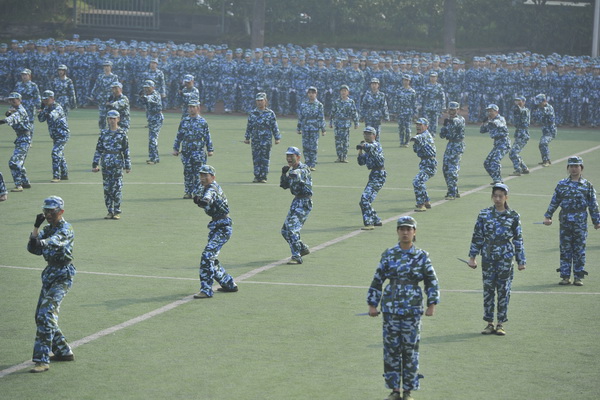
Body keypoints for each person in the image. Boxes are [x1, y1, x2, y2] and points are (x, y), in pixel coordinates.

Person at [367, 216, 440, 400]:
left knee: (410, 351)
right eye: (402, 229)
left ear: (414, 232)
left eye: (409, 229)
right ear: (397, 232)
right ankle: (394, 390)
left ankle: (408, 390)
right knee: (391, 351)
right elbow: (377, 279)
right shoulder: (389, 254)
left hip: (412, 310)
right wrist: (372, 303)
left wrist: (432, 304)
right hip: (391, 310)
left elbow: (431, 281)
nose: (405, 232)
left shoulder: (422, 256)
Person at [467, 183, 526, 336]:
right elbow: (477, 236)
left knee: (503, 290)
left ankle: (500, 323)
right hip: (488, 257)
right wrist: (472, 257)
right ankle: (489, 323)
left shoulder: (513, 216)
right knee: (488, 290)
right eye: (495, 196)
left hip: (505, 257)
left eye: (501, 196)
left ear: (506, 197)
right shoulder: (484, 214)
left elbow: (518, 239)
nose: (498, 199)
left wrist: (521, 261)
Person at [27, 196, 76, 373]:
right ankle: (63, 351)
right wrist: (35, 229)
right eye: (45, 210)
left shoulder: (66, 228)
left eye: (51, 211)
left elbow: (55, 241)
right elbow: (33, 249)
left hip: (63, 275)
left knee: (46, 313)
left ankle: (42, 360)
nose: (48, 214)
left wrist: (41, 241)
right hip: (50, 274)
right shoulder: (47, 229)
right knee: (40, 315)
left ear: (60, 212)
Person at [543, 156, 600, 286]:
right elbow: (555, 201)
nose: (574, 169)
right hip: (565, 221)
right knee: (565, 249)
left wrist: (597, 220)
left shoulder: (587, 185)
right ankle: (565, 276)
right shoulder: (562, 184)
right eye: (571, 166)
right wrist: (548, 216)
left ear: (581, 168)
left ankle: (578, 276)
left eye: (576, 166)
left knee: (579, 249)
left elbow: (593, 204)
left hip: (580, 221)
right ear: (568, 168)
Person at [192, 165, 239, 298]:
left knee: (207, 256)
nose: (202, 178)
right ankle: (229, 283)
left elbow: (207, 199)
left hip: (223, 227)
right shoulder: (204, 186)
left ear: (213, 177)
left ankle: (206, 290)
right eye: (201, 175)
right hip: (216, 225)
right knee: (211, 257)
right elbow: (197, 193)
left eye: (205, 176)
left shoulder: (212, 188)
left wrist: (201, 201)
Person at [92, 110, 131, 220]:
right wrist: (95, 163)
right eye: (110, 118)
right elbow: (99, 149)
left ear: (118, 119)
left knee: (117, 188)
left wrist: (127, 165)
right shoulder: (104, 133)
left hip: (117, 163)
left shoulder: (122, 133)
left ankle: (117, 211)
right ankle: (109, 211)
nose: (112, 120)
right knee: (107, 189)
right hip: (106, 164)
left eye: (114, 118)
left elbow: (126, 150)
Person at [173, 100, 214, 199]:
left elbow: (207, 136)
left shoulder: (202, 122)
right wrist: (175, 148)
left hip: (198, 152)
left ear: (198, 108)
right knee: (187, 173)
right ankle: (188, 192)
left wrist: (210, 149)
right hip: (186, 152)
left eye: (193, 107)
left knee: (199, 173)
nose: (191, 109)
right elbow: (179, 136)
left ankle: (198, 192)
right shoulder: (184, 121)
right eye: (190, 107)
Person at [280, 146, 312, 265]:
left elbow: (298, 174)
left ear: (298, 157)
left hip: (304, 202)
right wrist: (284, 174)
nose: (289, 158)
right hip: (296, 201)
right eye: (287, 156)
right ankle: (302, 248)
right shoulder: (291, 170)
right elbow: (284, 186)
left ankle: (296, 256)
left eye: (291, 156)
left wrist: (292, 172)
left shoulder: (303, 168)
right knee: (285, 230)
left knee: (292, 229)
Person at [244, 92, 281, 183]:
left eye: (261, 100)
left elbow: (274, 126)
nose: (259, 102)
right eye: (258, 101)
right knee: (256, 158)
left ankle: (264, 176)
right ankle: (257, 176)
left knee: (265, 158)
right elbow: (249, 126)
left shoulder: (270, 113)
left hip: (266, 139)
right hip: (255, 139)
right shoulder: (253, 113)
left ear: (265, 101)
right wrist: (247, 137)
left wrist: (277, 137)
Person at [0, 92, 32, 192]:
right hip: (21, 138)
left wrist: (3, 120)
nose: (12, 101)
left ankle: (19, 185)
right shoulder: (16, 110)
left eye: (14, 100)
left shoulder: (20, 111)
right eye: (10, 100)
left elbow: (11, 119)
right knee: (19, 162)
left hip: (24, 139)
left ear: (19, 100)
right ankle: (25, 182)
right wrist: (9, 113)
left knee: (13, 162)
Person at [357, 126, 386, 230]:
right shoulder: (367, 149)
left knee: (365, 199)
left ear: (374, 135)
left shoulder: (376, 145)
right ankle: (376, 219)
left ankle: (369, 223)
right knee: (365, 200)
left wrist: (363, 145)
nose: (366, 135)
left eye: (369, 134)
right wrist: (360, 150)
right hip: (374, 174)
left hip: (379, 174)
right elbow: (361, 162)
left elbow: (370, 147)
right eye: (365, 133)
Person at [37, 90, 70, 182]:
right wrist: (42, 110)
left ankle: (56, 176)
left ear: (52, 98)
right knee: (60, 154)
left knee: (55, 153)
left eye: (47, 99)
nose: (45, 101)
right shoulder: (46, 108)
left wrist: (45, 112)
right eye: (43, 100)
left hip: (62, 134)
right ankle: (64, 174)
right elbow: (41, 119)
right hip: (55, 135)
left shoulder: (57, 107)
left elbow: (52, 116)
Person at [439, 101, 465, 200]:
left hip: (457, 145)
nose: (452, 112)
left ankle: (452, 192)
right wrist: (445, 126)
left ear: (458, 110)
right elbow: (442, 135)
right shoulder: (448, 120)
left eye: (454, 110)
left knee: (452, 169)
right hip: (450, 144)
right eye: (450, 110)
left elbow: (457, 122)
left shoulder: (460, 119)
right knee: (445, 168)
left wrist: (449, 122)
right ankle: (454, 189)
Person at [296, 86, 326, 171]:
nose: (311, 94)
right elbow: (301, 117)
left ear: (316, 94)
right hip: (305, 128)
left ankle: (312, 164)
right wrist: (298, 127)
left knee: (313, 146)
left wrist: (323, 129)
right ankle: (307, 163)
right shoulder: (304, 104)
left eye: (313, 93)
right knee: (305, 146)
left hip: (314, 128)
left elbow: (321, 118)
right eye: (309, 93)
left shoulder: (319, 105)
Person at [480, 104, 510, 185]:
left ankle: (498, 180)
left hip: (504, 143)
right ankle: (496, 179)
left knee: (495, 161)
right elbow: (482, 131)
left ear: (496, 111)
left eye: (491, 111)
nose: (489, 113)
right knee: (487, 163)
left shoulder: (500, 119)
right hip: (497, 144)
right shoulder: (489, 121)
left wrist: (492, 122)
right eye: (488, 111)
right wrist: (484, 122)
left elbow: (502, 127)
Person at [410, 118, 436, 212]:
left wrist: (415, 138)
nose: (418, 126)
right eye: (417, 124)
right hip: (425, 162)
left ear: (426, 126)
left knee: (417, 181)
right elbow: (415, 150)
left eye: (420, 125)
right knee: (420, 181)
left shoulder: (424, 135)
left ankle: (421, 205)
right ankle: (426, 201)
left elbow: (418, 138)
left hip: (430, 163)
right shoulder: (421, 135)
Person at [330, 84, 359, 163]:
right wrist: (331, 122)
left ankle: (344, 157)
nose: (343, 92)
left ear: (348, 92)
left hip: (346, 124)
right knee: (338, 141)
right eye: (342, 91)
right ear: (340, 92)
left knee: (345, 141)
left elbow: (354, 113)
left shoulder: (351, 102)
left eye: (345, 91)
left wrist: (356, 122)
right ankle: (339, 157)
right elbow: (332, 112)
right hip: (337, 123)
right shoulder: (336, 102)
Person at [139, 79, 164, 165]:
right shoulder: (147, 95)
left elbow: (149, 99)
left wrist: (144, 97)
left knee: (153, 139)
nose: (146, 89)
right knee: (151, 138)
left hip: (157, 118)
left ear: (153, 87)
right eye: (145, 88)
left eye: (148, 88)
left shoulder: (155, 94)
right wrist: (141, 97)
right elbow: (143, 102)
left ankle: (154, 158)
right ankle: (152, 157)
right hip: (151, 118)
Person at [90, 60, 119, 130]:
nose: (106, 68)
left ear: (111, 67)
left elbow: (116, 88)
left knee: (111, 115)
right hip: (102, 98)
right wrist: (92, 95)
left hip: (111, 98)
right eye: (105, 66)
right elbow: (96, 86)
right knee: (102, 116)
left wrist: (117, 97)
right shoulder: (100, 76)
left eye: (108, 66)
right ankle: (102, 130)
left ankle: (111, 130)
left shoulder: (114, 77)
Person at [13, 69, 40, 138]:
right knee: (19, 122)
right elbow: (14, 96)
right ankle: (21, 137)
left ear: (29, 76)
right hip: (20, 105)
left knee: (30, 122)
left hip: (30, 106)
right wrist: (12, 106)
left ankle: (29, 138)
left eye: (25, 75)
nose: (24, 76)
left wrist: (39, 107)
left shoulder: (33, 85)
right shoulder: (18, 85)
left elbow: (37, 97)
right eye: (23, 75)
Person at [508, 96, 530, 176]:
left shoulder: (525, 110)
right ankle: (524, 168)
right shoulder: (517, 110)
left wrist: (517, 107)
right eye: (516, 101)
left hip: (523, 134)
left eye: (519, 101)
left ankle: (518, 170)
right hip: (519, 134)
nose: (517, 102)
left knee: (513, 153)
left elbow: (522, 111)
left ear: (524, 102)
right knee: (514, 153)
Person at [532, 93, 557, 167]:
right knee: (541, 145)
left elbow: (543, 116)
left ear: (544, 101)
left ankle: (546, 161)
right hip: (545, 131)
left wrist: (537, 112)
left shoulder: (549, 108)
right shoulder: (540, 108)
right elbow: (535, 118)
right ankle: (546, 160)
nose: (539, 105)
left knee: (543, 143)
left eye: (540, 103)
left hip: (551, 131)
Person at [395, 74, 417, 147]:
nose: (406, 82)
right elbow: (396, 101)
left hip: (409, 112)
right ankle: (401, 142)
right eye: (404, 80)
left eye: (407, 80)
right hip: (400, 111)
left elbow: (414, 103)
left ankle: (407, 142)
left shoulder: (412, 91)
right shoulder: (399, 90)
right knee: (401, 128)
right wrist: (395, 111)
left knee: (408, 128)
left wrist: (415, 112)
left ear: (409, 81)